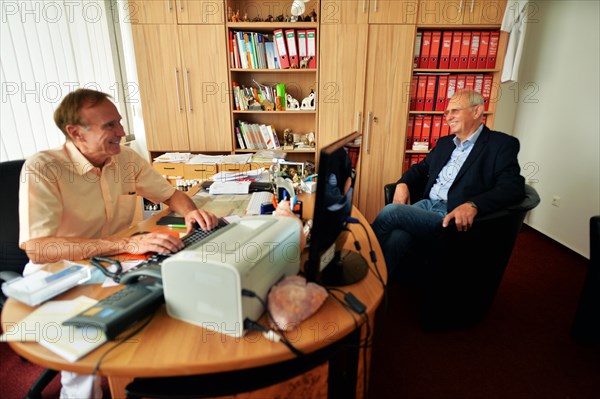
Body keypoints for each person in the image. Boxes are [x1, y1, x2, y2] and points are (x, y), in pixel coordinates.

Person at [18, 88, 218, 398]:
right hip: (59, 270)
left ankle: (140, 382)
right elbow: (38, 249)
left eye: (120, 122)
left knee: (165, 305)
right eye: (109, 125)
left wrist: (192, 214)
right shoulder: (43, 168)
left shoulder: (124, 158)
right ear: (76, 133)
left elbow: (170, 195)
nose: (122, 132)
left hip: (118, 258)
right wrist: (124, 245)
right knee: (86, 344)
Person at [372, 89, 525, 276]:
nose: (448, 117)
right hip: (426, 204)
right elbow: (421, 169)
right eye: (446, 112)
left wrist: (474, 204)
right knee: (398, 237)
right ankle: (379, 282)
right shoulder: (445, 143)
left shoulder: (500, 144)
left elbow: (513, 187)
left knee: (392, 211)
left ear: (477, 111)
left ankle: (361, 260)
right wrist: (403, 183)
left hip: (450, 217)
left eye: (455, 111)